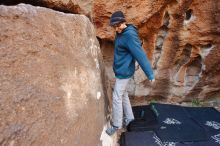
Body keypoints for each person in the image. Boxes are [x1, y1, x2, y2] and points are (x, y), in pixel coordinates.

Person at [106, 11, 155, 136]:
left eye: (118, 25)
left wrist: (150, 74)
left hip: (125, 72)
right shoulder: (121, 32)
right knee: (123, 94)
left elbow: (140, 55)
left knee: (117, 96)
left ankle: (116, 125)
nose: (116, 29)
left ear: (124, 22)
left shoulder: (129, 36)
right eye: (114, 26)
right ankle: (130, 118)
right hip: (121, 69)